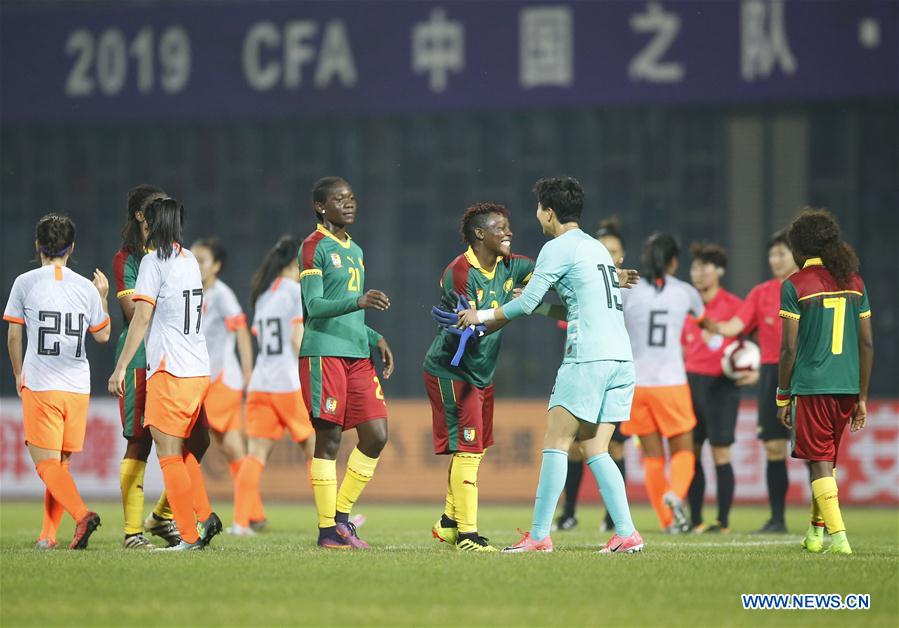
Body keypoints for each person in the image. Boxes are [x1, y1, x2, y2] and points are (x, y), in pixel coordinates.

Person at [458, 176, 642, 554]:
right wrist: (536, 302)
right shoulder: (594, 248)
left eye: (539, 210)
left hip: (587, 356)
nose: (537, 217)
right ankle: (626, 533)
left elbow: (523, 306)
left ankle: (539, 535)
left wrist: (479, 316)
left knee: (556, 442)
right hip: (621, 359)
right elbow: (568, 304)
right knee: (595, 448)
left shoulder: (557, 247)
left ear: (549, 212)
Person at [425, 202, 541, 552]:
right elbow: (472, 330)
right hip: (451, 370)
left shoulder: (513, 264)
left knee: (473, 449)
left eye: (508, 227)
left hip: (481, 372)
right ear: (479, 234)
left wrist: (611, 271)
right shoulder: (459, 274)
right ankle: (467, 535)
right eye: (500, 227)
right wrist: (518, 306)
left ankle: (448, 522)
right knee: (469, 450)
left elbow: (551, 274)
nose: (509, 233)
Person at [109, 197, 221, 551]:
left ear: (150, 225)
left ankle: (189, 534)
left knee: (169, 454)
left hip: (169, 370)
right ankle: (205, 513)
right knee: (184, 450)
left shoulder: (153, 263)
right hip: (198, 370)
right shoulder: (188, 260)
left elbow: (141, 318)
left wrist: (122, 366)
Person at [299, 177, 394, 549]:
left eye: (352, 198)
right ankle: (328, 532)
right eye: (340, 199)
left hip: (357, 354)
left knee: (376, 435)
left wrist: (375, 337)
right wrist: (358, 302)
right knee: (330, 439)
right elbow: (315, 307)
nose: (349, 204)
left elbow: (351, 313)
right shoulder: (313, 247)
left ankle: (340, 518)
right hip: (324, 353)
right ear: (321, 207)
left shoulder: (355, 249)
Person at [4, 214, 109, 550]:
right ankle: (48, 536)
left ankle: (81, 514)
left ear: (38, 246)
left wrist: (19, 373)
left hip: (43, 382)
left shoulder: (25, 282)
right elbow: (104, 335)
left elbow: (13, 334)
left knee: (46, 464)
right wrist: (103, 296)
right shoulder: (85, 287)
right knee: (60, 464)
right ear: (72, 248)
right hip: (77, 387)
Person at [777, 208, 872, 555]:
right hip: (847, 386)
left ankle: (841, 539)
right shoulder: (854, 282)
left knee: (819, 463)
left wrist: (782, 395)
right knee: (827, 462)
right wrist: (862, 397)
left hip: (813, 385)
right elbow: (867, 344)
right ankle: (816, 535)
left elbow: (788, 348)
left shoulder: (796, 285)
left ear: (799, 247)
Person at [707, 230, 798, 533]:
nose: (775, 260)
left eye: (781, 253)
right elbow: (737, 325)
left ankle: (822, 521)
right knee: (773, 448)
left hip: (806, 373)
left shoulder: (809, 289)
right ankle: (777, 519)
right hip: (772, 374)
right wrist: (710, 324)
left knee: (814, 451)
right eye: (772, 254)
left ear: (796, 255)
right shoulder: (761, 293)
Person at [113, 184, 188, 549]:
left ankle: (161, 516)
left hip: (175, 359)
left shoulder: (175, 254)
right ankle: (132, 533)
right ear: (142, 215)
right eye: (156, 206)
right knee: (139, 442)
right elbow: (133, 314)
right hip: (140, 358)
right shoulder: (128, 258)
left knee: (192, 442)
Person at [230, 235, 315, 536]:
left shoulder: (265, 295)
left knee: (255, 456)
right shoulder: (296, 291)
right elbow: (296, 338)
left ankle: (240, 523)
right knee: (317, 451)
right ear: (297, 262)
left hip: (260, 384)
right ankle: (333, 520)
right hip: (287, 383)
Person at [621, 233, 706, 532]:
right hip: (671, 382)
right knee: (684, 450)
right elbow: (706, 323)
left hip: (637, 385)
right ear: (673, 262)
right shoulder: (684, 292)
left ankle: (668, 522)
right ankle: (676, 493)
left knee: (652, 457)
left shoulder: (628, 291)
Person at [556, 217, 629, 533]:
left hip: (614, 372)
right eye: (604, 250)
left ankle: (614, 518)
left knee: (613, 447)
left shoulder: (629, 290)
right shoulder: (587, 286)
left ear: (621, 256)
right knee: (574, 446)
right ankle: (569, 513)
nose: (609, 256)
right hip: (584, 366)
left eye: (613, 251)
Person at [682, 243, 745, 533]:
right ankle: (694, 520)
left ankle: (723, 522)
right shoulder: (685, 304)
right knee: (691, 453)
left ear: (719, 271)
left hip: (721, 386)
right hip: (688, 384)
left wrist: (752, 372)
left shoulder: (734, 305)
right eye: (694, 267)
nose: (698, 273)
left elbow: (751, 346)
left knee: (721, 453)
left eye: (704, 267)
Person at [193, 237, 254, 528]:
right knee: (233, 450)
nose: (195, 265)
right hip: (208, 380)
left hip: (222, 381)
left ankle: (184, 514)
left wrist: (248, 372)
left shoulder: (221, 294)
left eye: (201, 260)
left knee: (186, 446)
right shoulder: (192, 292)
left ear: (216, 266)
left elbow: (241, 331)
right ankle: (251, 515)